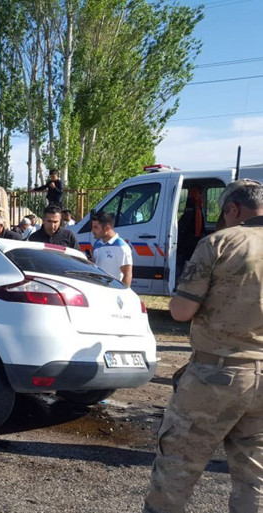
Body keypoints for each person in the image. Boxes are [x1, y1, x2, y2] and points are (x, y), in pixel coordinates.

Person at [144, 179, 263, 513]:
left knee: (176, 468)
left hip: (218, 375)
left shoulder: (219, 243)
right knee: (255, 479)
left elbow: (181, 311)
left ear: (232, 209)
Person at [90, 211, 133, 287]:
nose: (92, 230)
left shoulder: (122, 247)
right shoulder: (97, 244)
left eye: (96, 227)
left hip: (113, 292)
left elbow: (127, 274)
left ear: (107, 228)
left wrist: (123, 294)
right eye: (92, 227)